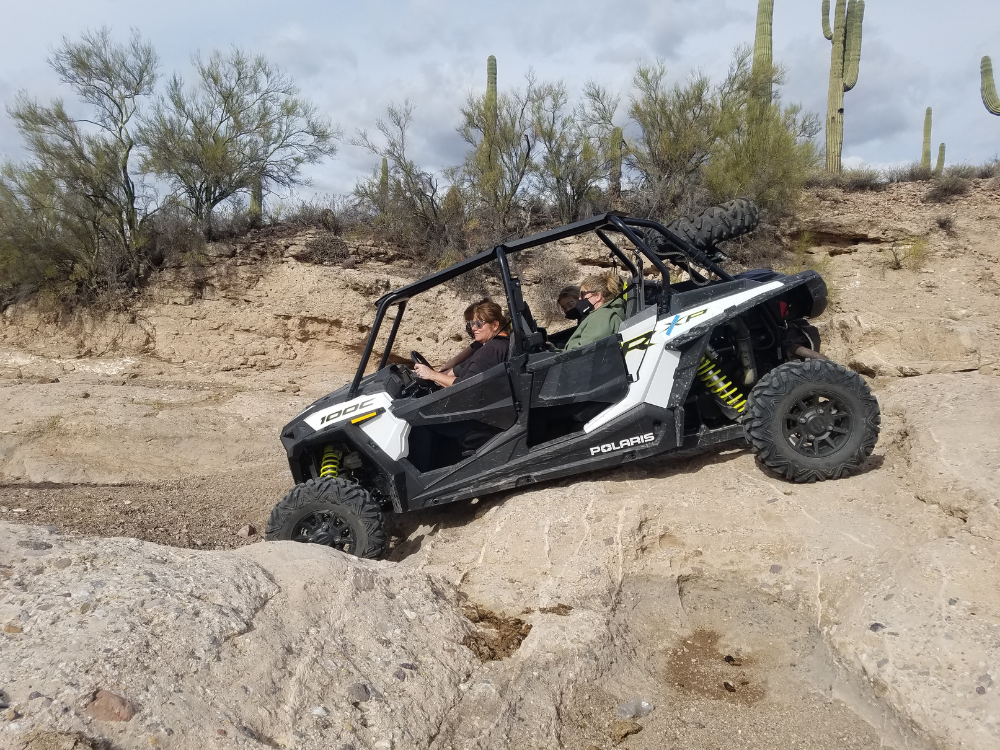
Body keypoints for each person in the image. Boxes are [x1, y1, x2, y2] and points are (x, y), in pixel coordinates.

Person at [414, 301, 510, 386]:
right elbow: (460, 368)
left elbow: (466, 385)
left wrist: (432, 375)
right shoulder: (496, 344)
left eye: (479, 324)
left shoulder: (491, 349)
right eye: (472, 323)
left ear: (495, 325)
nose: (473, 328)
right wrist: (437, 375)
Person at [562, 271, 625, 350]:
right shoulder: (602, 314)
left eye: (583, 294)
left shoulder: (602, 316)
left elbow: (583, 350)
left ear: (597, 296)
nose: (580, 298)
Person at [437, 300, 486, 378]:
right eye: (469, 323)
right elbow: (457, 359)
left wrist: (434, 376)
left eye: (473, 322)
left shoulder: (485, 348)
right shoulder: (479, 343)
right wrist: (440, 371)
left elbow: (461, 367)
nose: (472, 327)